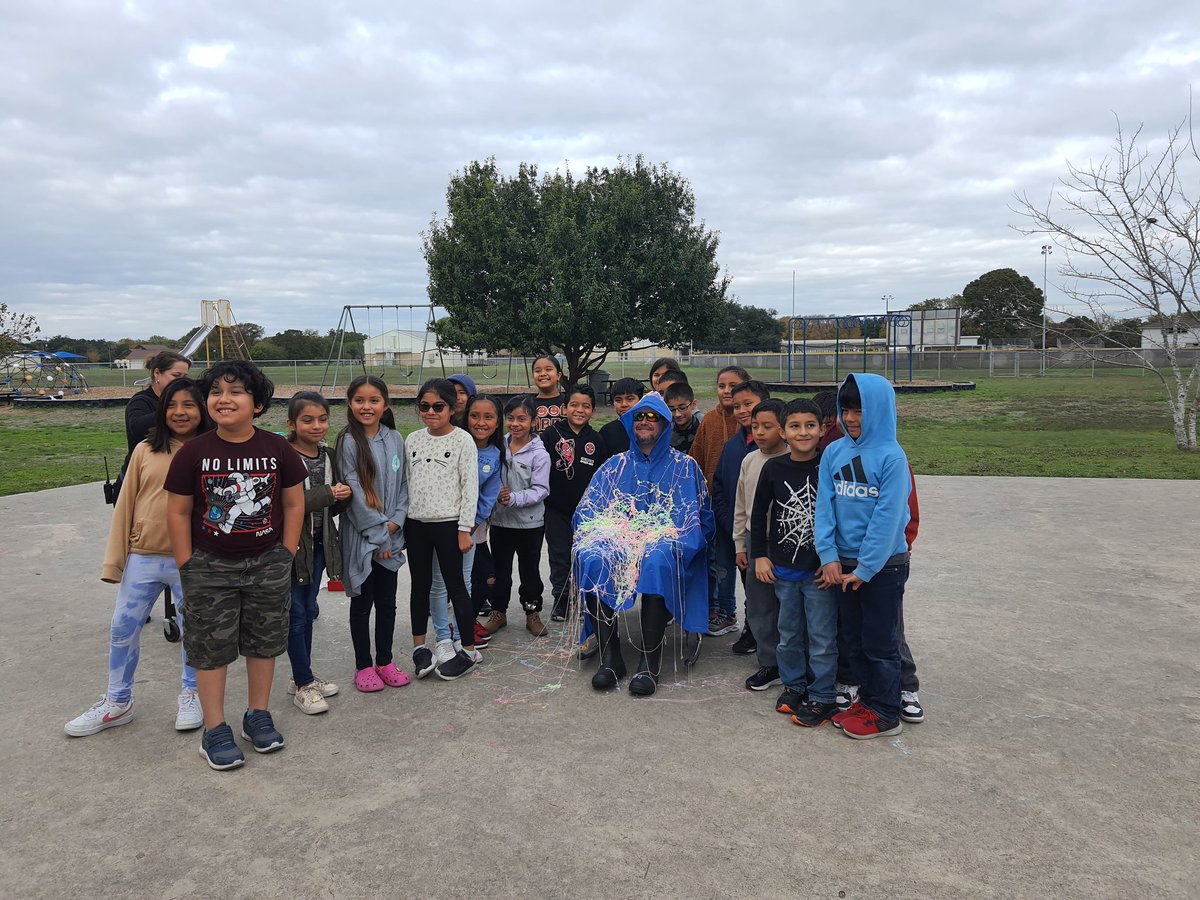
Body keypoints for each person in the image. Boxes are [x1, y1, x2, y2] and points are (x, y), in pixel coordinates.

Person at [164, 360, 307, 770]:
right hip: (209, 567)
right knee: (209, 649)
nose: (224, 400)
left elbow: (294, 502)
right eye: (216, 393)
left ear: (257, 404)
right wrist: (187, 563)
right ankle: (214, 729)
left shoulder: (277, 449)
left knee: (263, 644)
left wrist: (286, 551)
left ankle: (257, 714)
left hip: (267, 564)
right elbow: (177, 512)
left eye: (236, 392)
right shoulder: (194, 452)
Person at [66, 378, 211, 738]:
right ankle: (118, 701)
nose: (180, 412)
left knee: (195, 630)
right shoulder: (146, 449)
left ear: (203, 409)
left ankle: (192, 693)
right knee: (122, 626)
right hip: (144, 555)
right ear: (162, 410)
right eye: (172, 405)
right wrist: (114, 562)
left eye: (189, 405)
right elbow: (126, 504)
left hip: (192, 560)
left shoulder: (213, 450)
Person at [573, 392, 714, 696]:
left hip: (666, 540)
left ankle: (650, 662)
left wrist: (661, 535)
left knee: (655, 559)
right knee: (595, 556)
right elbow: (587, 510)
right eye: (639, 416)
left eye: (652, 417)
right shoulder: (614, 465)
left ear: (664, 425)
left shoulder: (684, 466)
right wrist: (607, 534)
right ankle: (611, 659)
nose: (645, 422)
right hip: (619, 538)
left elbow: (694, 518)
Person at [817, 374, 912, 740]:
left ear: (879, 410)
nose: (851, 418)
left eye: (859, 410)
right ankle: (868, 701)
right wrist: (828, 555)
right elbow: (824, 507)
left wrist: (868, 567)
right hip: (842, 564)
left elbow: (888, 519)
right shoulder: (834, 452)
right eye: (846, 409)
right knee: (852, 638)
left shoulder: (892, 456)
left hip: (883, 567)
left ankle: (886, 712)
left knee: (880, 642)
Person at [749, 398, 839, 726]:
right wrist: (760, 555)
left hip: (820, 572)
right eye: (795, 426)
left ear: (822, 429)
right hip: (783, 569)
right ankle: (794, 685)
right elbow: (758, 516)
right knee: (787, 633)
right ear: (784, 432)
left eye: (810, 425)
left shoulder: (829, 467)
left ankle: (824, 693)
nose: (803, 432)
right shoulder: (773, 468)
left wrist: (833, 560)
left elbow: (841, 516)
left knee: (821, 636)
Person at [336, 376, 410, 693]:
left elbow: (404, 488)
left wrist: (393, 526)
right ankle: (364, 665)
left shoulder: (394, 438)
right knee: (362, 604)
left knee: (388, 604)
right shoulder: (348, 442)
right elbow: (353, 493)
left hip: (390, 538)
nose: (367, 406)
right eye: (360, 400)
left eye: (374, 400)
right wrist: (380, 536)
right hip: (363, 540)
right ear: (350, 404)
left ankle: (385, 660)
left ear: (385, 405)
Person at [404, 379, 481, 681]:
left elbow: (469, 488)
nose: (431, 412)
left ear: (451, 408)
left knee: (456, 587)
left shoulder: (463, 440)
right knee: (419, 586)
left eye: (438, 407)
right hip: (417, 525)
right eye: (424, 406)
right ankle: (420, 647)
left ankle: (470, 650)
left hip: (450, 525)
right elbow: (407, 483)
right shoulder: (412, 439)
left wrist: (465, 529)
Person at [284, 392, 351, 715]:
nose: (316, 426)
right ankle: (303, 682)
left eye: (322, 419)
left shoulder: (328, 454)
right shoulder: (282, 456)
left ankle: (302, 676)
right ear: (292, 424)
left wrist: (343, 496)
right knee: (296, 614)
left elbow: (335, 504)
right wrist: (328, 493)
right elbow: (286, 504)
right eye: (307, 420)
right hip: (293, 547)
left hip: (321, 543)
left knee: (308, 610)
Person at [427, 393, 503, 660]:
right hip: (440, 526)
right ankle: (442, 637)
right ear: (464, 415)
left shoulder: (494, 455)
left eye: (488, 417)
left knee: (464, 583)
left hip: (469, 530)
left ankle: (461, 635)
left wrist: (467, 526)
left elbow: (487, 496)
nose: (480, 422)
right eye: (474, 415)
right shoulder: (453, 442)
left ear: (497, 422)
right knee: (439, 584)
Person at [732, 399, 791, 691]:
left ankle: (794, 661)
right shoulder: (750, 460)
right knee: (759, 605)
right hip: (757, 542)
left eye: (768, 426)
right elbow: (741, 506)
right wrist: (740, 544)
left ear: (783, 428)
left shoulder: (798, 457)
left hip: (791, 543)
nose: (760, 432)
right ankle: (770, 663)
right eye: (756, 426)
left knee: (791, 604)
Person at [484, 395, 551, 637]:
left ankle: (532, 613)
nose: (515, 424)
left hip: (530, 525)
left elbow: (541, 490)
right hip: (501, 522)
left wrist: (513, 498)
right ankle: (498, 612)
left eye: (522, 419)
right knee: (500, 571)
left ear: (533, 421)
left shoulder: (539, 455)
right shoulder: (498, 447)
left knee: (529, 572)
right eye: (510, 418)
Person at [540, 384, 608, 621]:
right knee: (559, 555)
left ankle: (581, 600)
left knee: (583, 556)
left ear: (593, 411)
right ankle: (560, 599)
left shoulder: (596, 440)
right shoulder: (550, 435)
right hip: (555, 509)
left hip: (586, 512)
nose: (580, 410)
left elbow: (601, 478)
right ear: (564, 407)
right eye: (574, 405)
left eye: (586, 406)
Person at [689, 366, 750, 631]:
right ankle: (724, 611)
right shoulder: (709, 421)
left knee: (748, 562)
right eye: (722, 385)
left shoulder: (751, 421)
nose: (727, 391)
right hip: (717, 504)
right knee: (719, 561)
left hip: (748, 506)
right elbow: (697, 459)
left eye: (733, 385)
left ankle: (753, 620)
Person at [711, 379, 771, 645]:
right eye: (736, 406)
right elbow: (720, 487)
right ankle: (752, 630)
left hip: (772, 534)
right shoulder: (733, 447)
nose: (742, 410)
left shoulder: (776, 446)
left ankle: (773, 638)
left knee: (774, 591)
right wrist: (728, 522)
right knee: (752, 587)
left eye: (748, 403)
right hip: (739, 529)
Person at [123, 350, 191, 463]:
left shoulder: (187, 399)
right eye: (176, 375)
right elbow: (138, 429)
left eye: (185, 376)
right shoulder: (140, 401)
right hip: (144, 470)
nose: (182, 381)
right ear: (157, 374)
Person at [599, 377, 644, 455]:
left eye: (630, 399)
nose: (624, 404)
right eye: (618, 400)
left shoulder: (648, 428)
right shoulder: (606, 432)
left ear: (641, 401)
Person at [530, 354, 567, 434]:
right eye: (538, 371)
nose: (543, 374)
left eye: (548, 369)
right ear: (533, 376)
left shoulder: (569, 402)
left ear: (558, 375)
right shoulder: (528, 405)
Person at [663, 381, 703, 454]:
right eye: (672, 409)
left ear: (693, 404)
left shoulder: (703, 431)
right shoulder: (665, 434)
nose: (677, 414)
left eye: (682, 407)